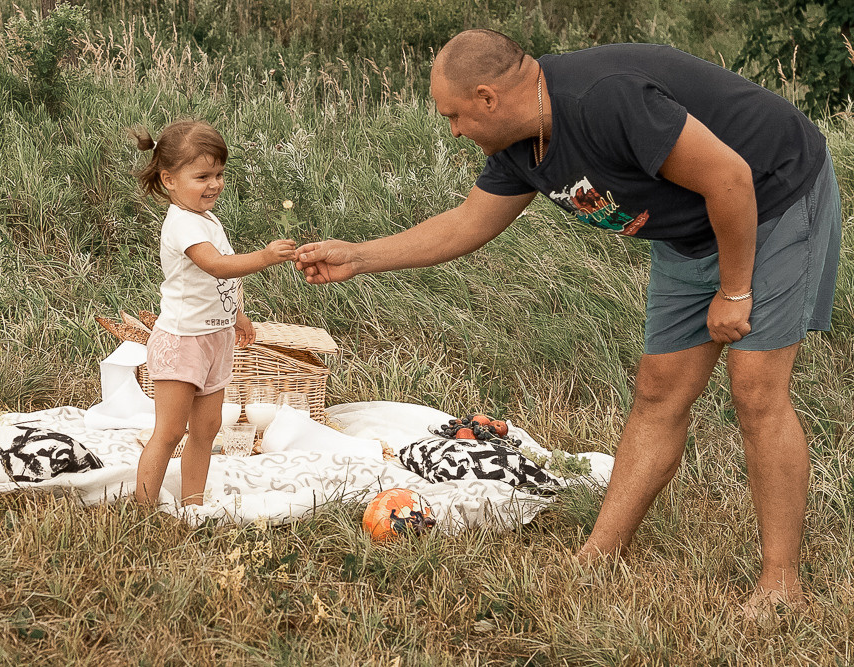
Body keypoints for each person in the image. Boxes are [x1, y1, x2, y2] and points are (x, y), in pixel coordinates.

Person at [295, 30, 842, 618]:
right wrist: (359, 256)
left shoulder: (605, 99)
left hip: (774, 196)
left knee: (755, 389)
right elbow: (465, 226)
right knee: (658, 390)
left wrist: (735, 290)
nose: (452, 130)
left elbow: (730, 178)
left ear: (487, 98)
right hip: (689, 231)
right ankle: (601, 554)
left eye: (454, 116)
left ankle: (781, 582)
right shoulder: (516, 146)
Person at [131, 119, 296, 506]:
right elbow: (218, 266)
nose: (214, 184)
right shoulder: (181, 224)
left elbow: (221, 286)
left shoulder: (206, 218)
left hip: (216, 339)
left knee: (206, 430)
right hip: (183, 340)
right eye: (202, 175)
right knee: (169, 432)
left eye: (219, 174)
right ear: (169, 179)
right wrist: (265, 257)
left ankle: (193, 503)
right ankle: (141, 510)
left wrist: (237, 316)